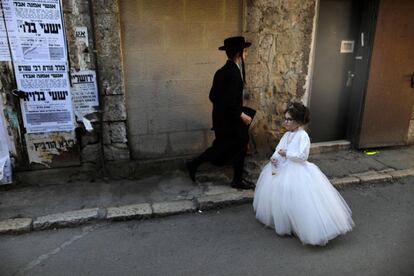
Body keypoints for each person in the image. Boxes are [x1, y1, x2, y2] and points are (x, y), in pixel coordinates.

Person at [253, 102, 355, 246]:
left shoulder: (303, 136)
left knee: (298, 197)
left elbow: (302, 156)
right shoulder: (287, 135)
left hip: (297, 169)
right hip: (283, 167)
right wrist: (275, 158)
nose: (286, 122)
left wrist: (287, 153)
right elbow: (279, 149)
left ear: (299, 122)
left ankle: (301, 224)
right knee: (280, 194)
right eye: (285, 119)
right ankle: (285, 220)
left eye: (289, 120)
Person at [186, 36, 255, 189]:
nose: (246, 54)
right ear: (239, 54)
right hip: (230, 120)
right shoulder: (233, 74)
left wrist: (225, 110)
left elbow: (213, 96)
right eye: (245, 51)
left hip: (222, 119)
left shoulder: (221, 71)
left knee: (225, 146)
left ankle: (194, 164)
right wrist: (241, 115)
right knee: (237, 144)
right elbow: (229, 102)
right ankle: (237, 180)